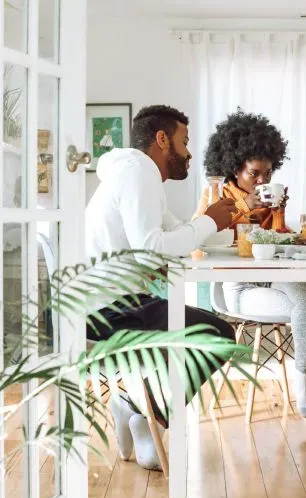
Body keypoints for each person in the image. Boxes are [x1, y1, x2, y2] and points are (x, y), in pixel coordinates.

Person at [85, 105, 238, 470]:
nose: (187, 153)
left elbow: (172, 235)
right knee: (218, 334)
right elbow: (153, 247)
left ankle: (137, 408)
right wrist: (207, 222)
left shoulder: (137, 175)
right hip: (103, 310)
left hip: (113, 301)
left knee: (208, 329)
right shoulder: (139, 173)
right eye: (184, 142)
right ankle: (140, 411)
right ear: (162, 139)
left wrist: (208, 222)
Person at [194, 109, 306, 421]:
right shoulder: (216, 195)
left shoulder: (266, 198)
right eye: (255, 174)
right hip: (236, 287)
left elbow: (277, 247)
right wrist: (240, 206)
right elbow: (199, 245)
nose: (263, 181)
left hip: (273, 277)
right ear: (234, 168)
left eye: (269, 174)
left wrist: (278, 214)